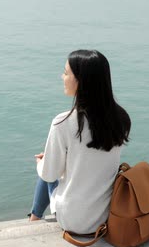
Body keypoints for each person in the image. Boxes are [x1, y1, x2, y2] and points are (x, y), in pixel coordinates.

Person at [28, 49, 131, 235]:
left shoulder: (62, 123)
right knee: (55, 163)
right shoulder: (121, 118)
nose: (62, 77)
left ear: (81, 81)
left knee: (46, 167)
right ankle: (33, 217)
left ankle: (33, 218)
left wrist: (41, 163)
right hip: (105, 215)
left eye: (66, 73)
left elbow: (49, 175)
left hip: (73, 220)